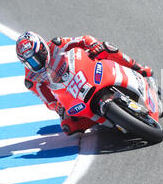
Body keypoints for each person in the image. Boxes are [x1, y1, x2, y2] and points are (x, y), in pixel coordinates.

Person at [16, 31, 153, 135]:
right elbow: (47, 100)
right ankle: (103, 120)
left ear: (42, 48)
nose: (37, 62)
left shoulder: (56, 44)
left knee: (107, 47)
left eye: (37, 56)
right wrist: (58, 107)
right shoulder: (31, 79)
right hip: (71, 95)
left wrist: (94, 46)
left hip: (86, 72)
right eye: (31, 62)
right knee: (68, 127)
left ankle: (140, 70)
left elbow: (84, 39)